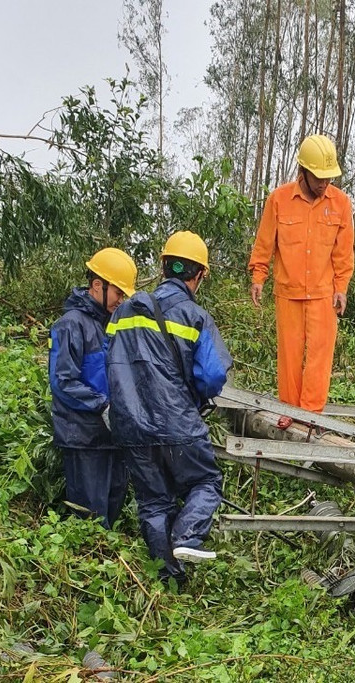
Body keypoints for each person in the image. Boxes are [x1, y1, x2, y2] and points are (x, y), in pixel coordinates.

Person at [106, 231, 232, 585]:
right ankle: (187, 538)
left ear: (163, 267)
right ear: (200, 274)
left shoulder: (125, 311)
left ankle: (169, 579)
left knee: (154, 502)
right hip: (177, 422)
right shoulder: (196, 317)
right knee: (206, 482)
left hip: (129, 424)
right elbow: (212, 376)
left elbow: (107, 362)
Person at [248, 134, 355, 413]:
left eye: (328, 178)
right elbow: (264, 243)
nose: (324, 183)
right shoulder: (279, 200)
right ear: (304, 171)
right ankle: (289, 411)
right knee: (289, 357)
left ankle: (311, 415)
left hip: (324, 294)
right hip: (288, 293)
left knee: (320, 357)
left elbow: (343, 253)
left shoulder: (341, 203)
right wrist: (258, 277)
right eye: (319, 177)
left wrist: (341, 288)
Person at [49, 247, 137, 529]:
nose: (120, 300)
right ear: (98, 285)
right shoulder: (70, 325)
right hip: (83, 438)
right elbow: (63, 381)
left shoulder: (114, 325)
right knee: (90, 520)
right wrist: (101, 405)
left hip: (113, 435)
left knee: (113, 508)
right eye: (118, 292)